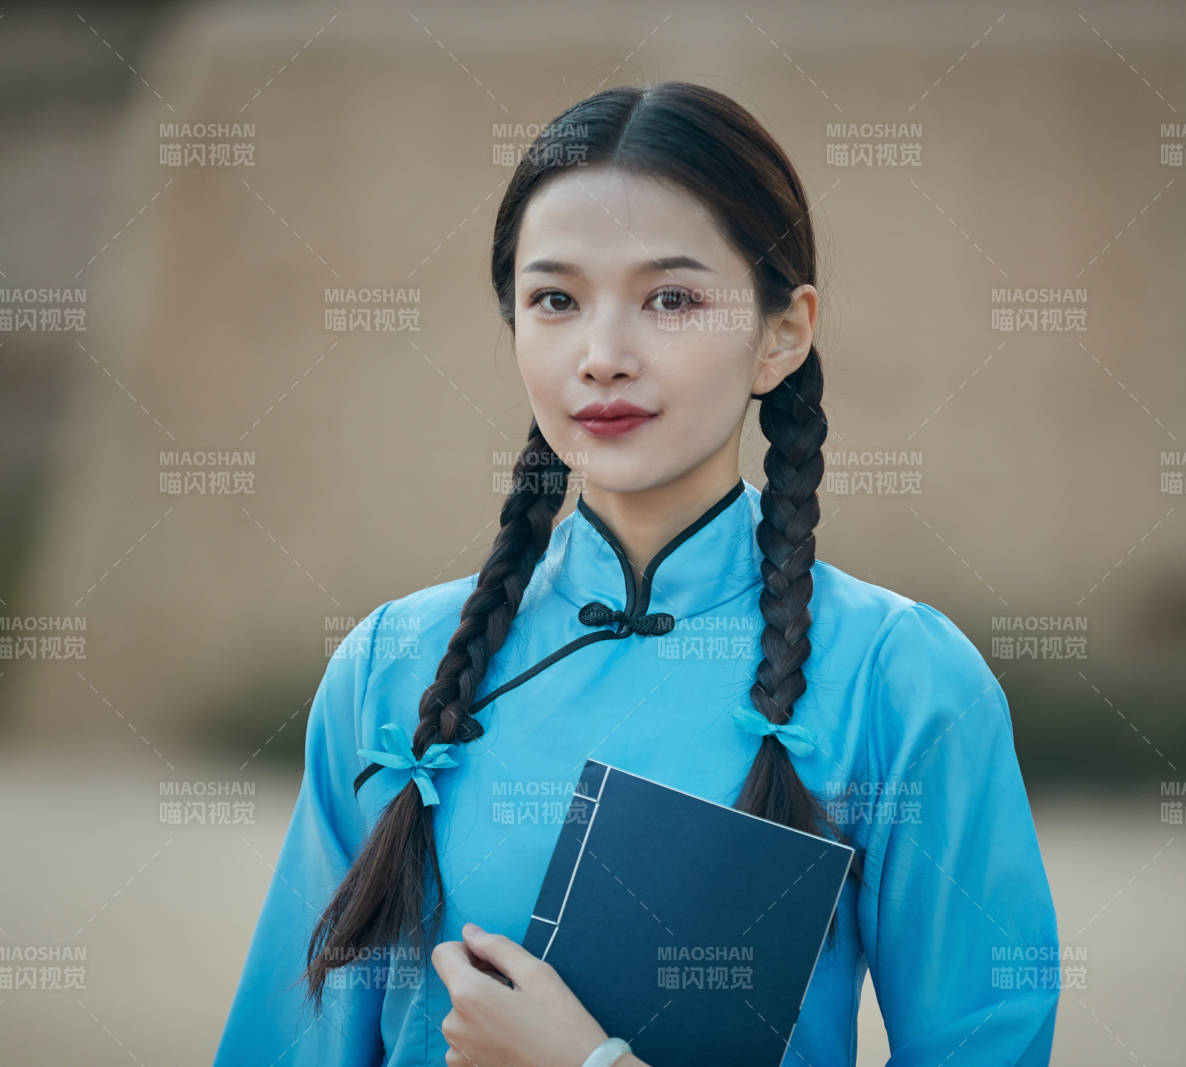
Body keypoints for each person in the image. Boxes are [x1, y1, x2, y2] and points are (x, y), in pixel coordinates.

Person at [212, 79, 1059, 1067]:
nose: (602, 355)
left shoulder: (903, 681)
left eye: (671, 298)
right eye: (556, 299)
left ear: (781, 333)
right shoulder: (390, 666)